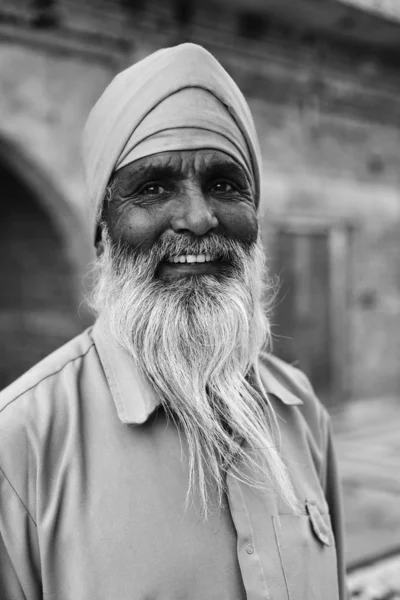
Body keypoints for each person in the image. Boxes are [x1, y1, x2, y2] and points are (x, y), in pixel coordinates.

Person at [0, 43, 347, 599]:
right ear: (103, 228)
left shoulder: (300, 410)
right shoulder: (18, 447)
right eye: (154, 187)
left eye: (225, 184)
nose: (198, 217)